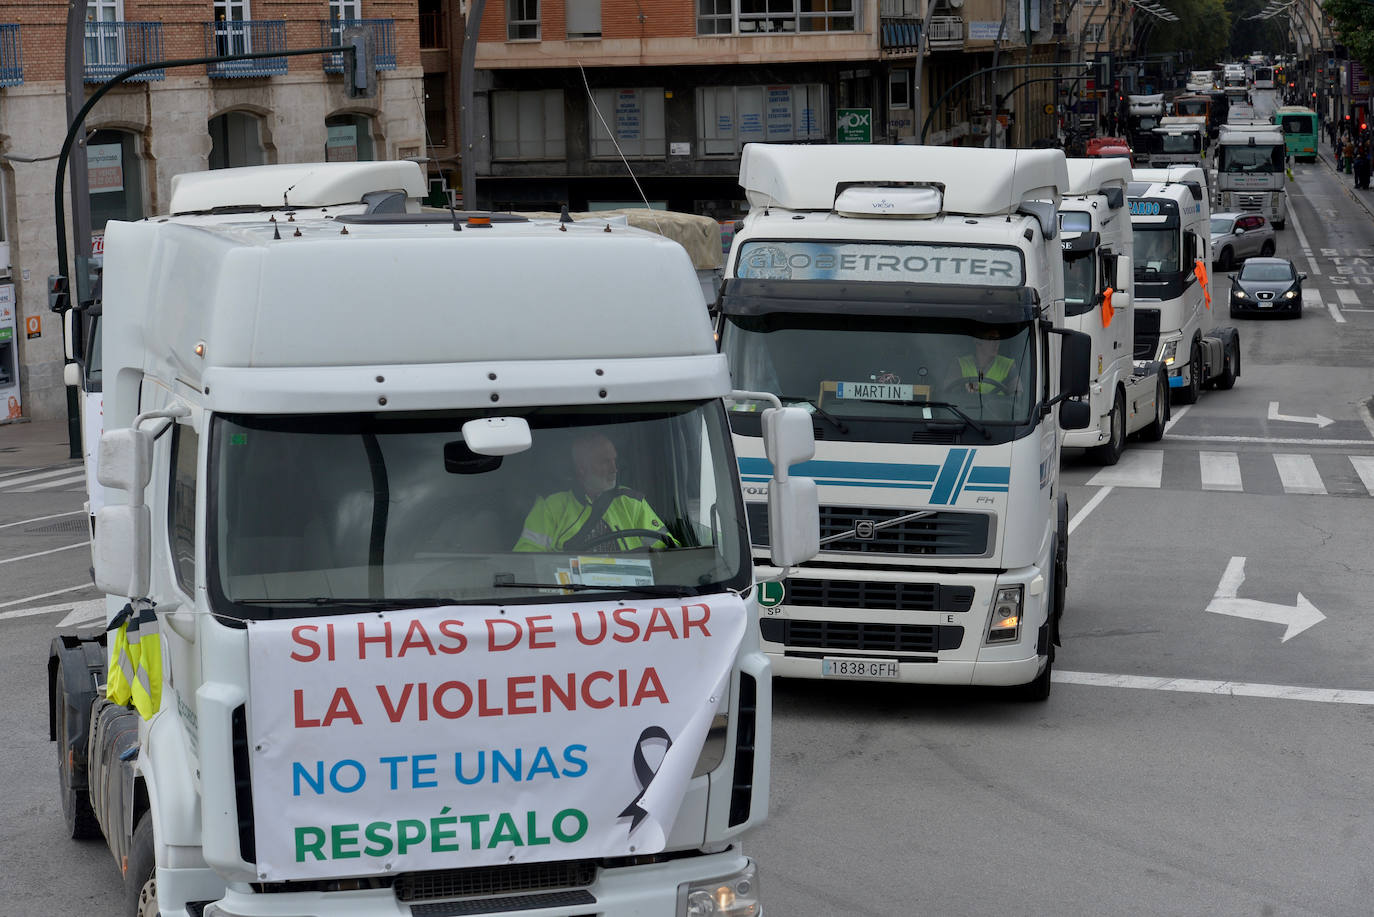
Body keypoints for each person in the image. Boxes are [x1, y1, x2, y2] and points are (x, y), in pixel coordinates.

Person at [514, 432, 676, 552]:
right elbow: (527, 558)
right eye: (605, 462)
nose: (614, 469)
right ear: (582, 469)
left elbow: (668, 549)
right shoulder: (550, 506)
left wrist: (657, 554)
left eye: (614, 460)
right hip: (570, 592)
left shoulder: (632, 501)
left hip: (632, 591)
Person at [947, 328, 1021, 396]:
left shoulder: (1008, 365)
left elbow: (1017, 399)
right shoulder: (959, 364)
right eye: (992, 339)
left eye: (998, 339)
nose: (997, 343)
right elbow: (948, 393)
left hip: (997, 410)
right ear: (977, 341)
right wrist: (962, 390)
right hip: (962, 410)